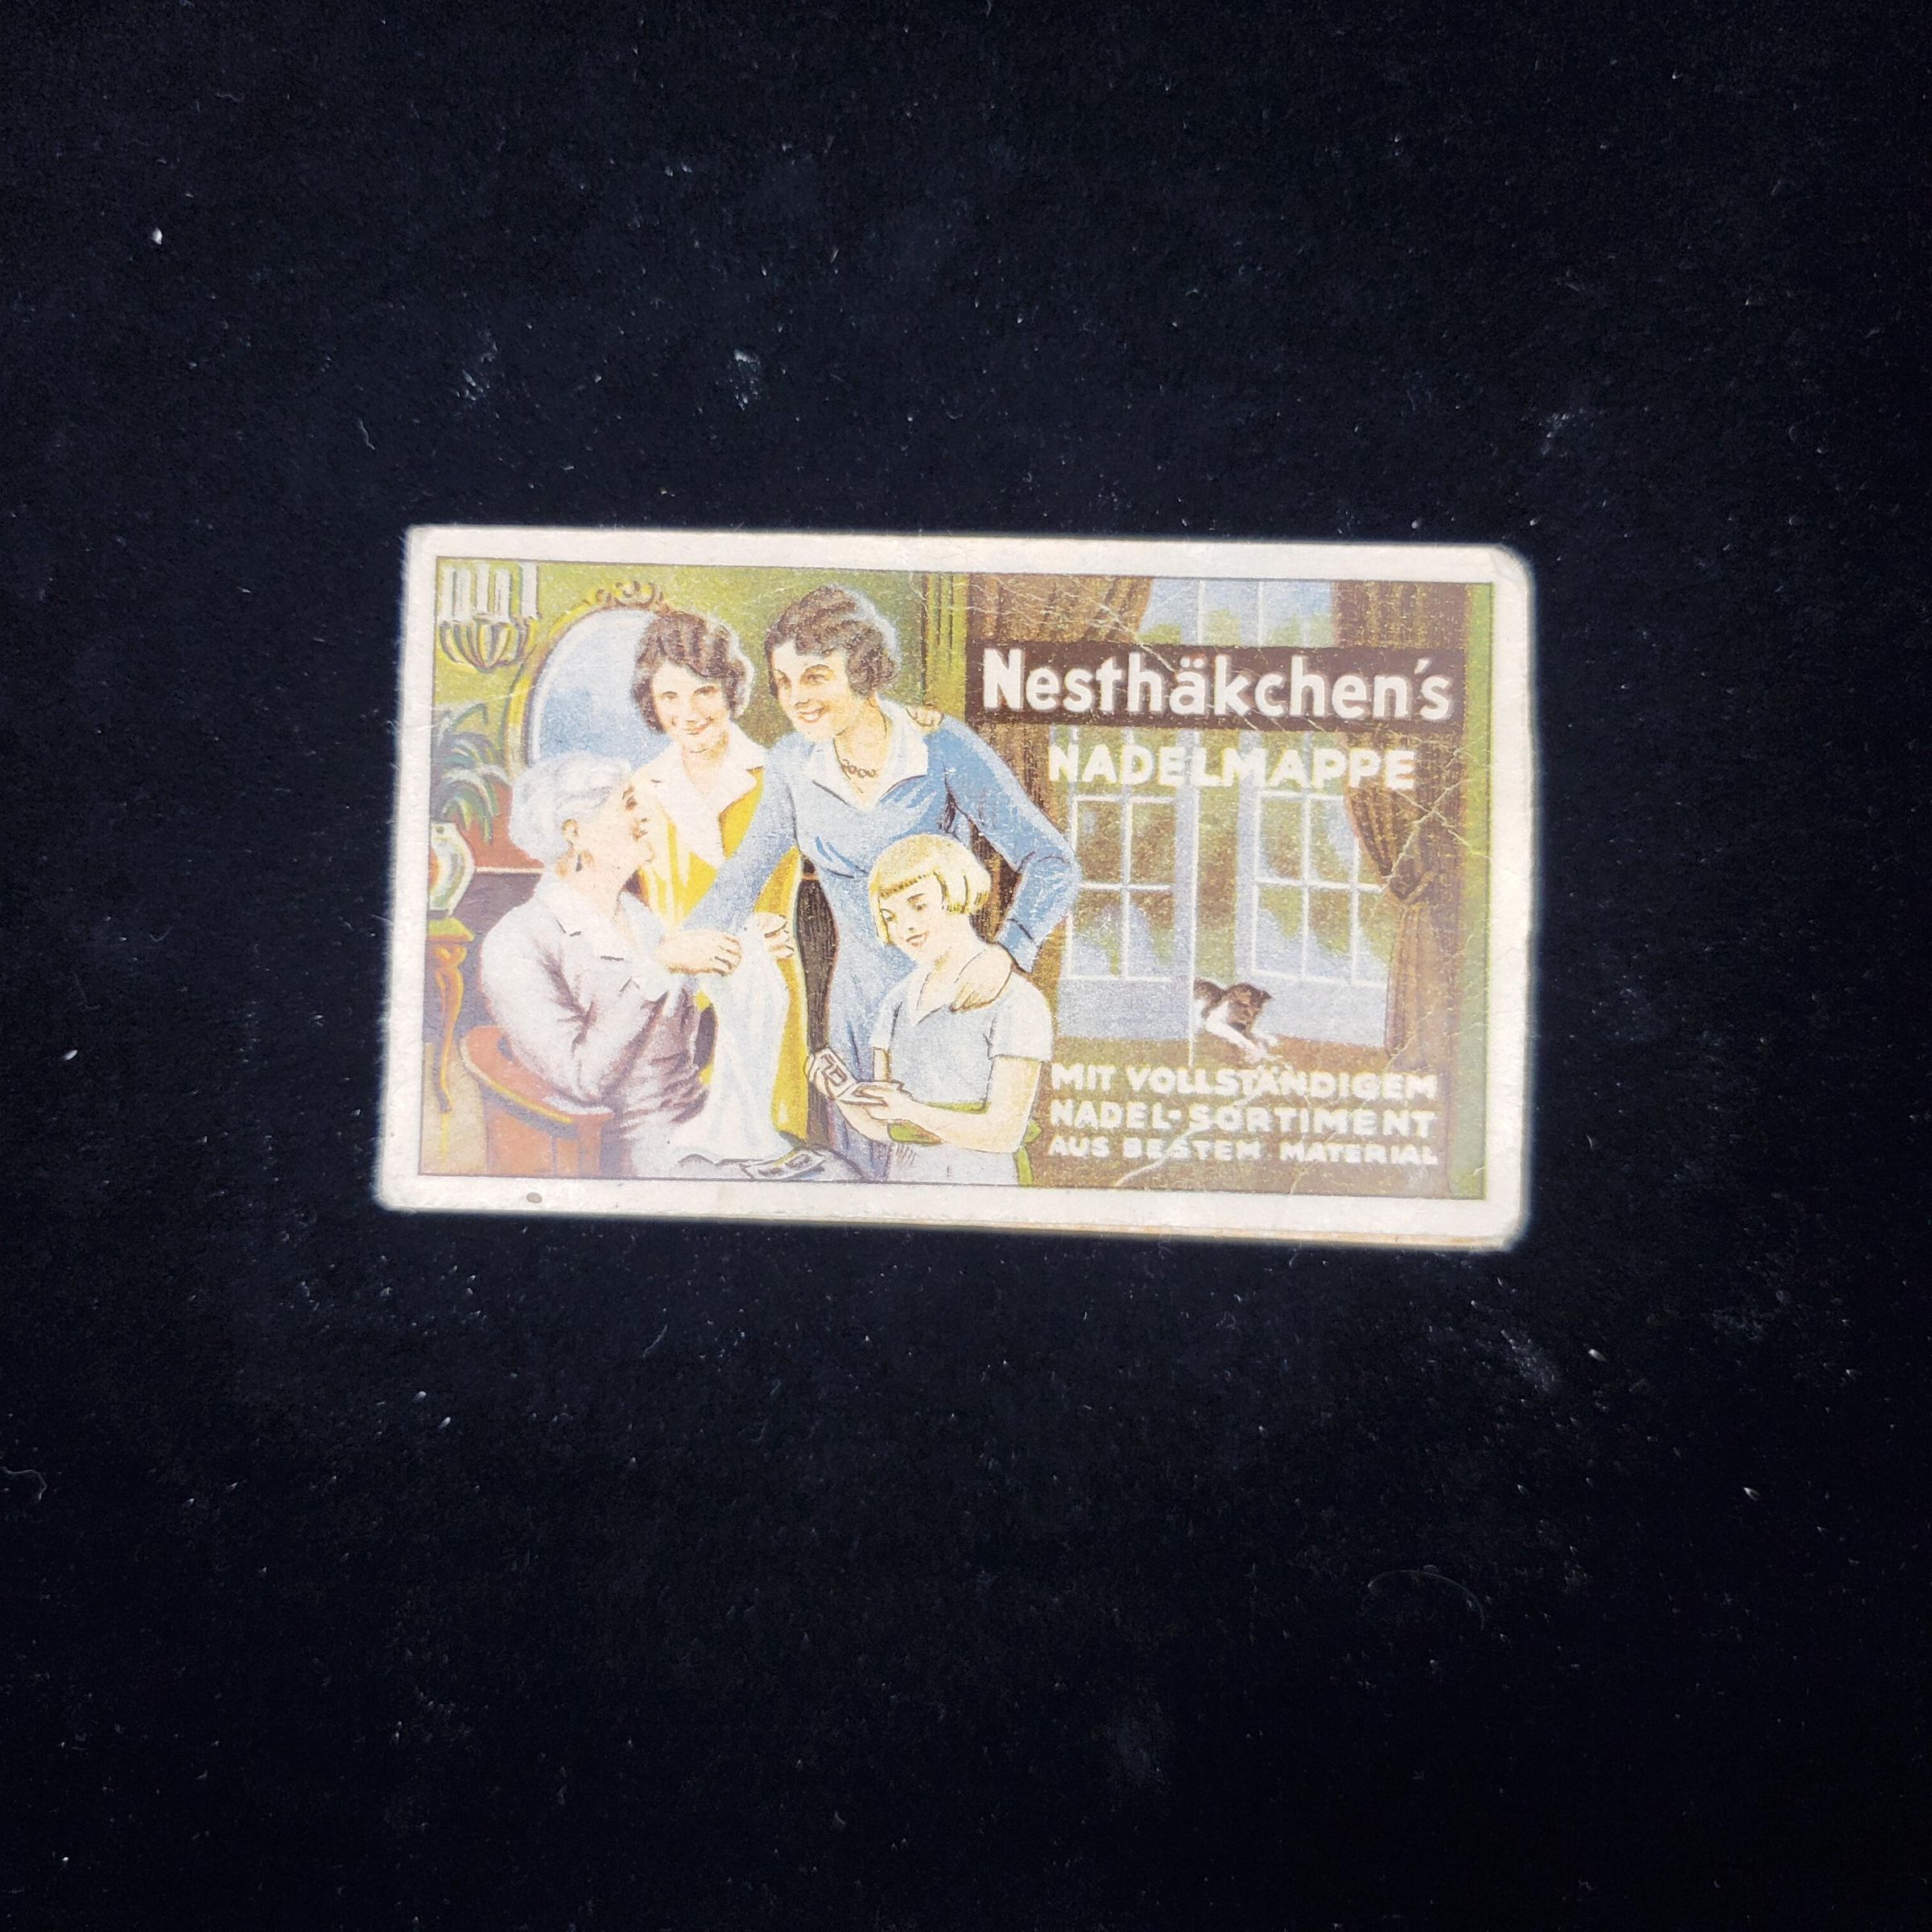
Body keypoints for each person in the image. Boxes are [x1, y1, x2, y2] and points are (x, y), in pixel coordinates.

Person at [684, 584, 1079, 1179]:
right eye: (784, 682)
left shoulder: (940, 747)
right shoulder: (793, 765)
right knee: (862, 1182)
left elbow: (1054, 862)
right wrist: (677, 953)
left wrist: (1009, 952)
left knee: (951, 1174)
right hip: (856, 1013)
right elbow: (739, 880)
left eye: (815, 677)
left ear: (864, 671)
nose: (797, 699)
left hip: (957, 1004)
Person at [477, 754, 791, 1179]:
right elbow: (583, 1078)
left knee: (828, 1171)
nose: (645, 815)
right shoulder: (517, 940)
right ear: (575, 831)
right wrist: (661, 966)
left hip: (702, 1125)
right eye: (628, 803)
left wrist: (742, 951)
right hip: (632, 1153)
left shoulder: (637, 916)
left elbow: (675, 1042)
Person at [628, 606, 810, 1139]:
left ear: (730, 690)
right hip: (676, 996)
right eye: (670, 696)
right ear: (652, 702)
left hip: (767, 986)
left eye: (704, 691)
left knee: (769, 1138)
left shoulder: (779, 775)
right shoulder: (641, 789)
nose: (688, 713)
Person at [821, 834, 1053, 1186]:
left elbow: (1005, 1132)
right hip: (905, 1185)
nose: (906, 927)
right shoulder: (897, 1002)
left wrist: (909, 1110)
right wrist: (841, 1094)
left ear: (958, 893)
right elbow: (886, 1128)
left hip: (983, 1185)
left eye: (918, 906)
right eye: (890, 917)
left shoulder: (1017, 1000)